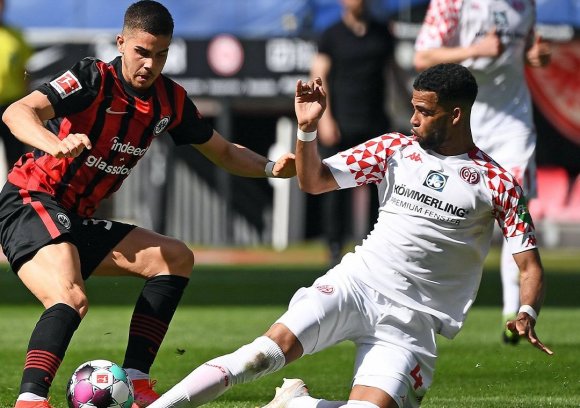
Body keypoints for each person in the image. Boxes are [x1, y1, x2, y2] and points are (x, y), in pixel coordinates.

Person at [147, 64, 552, 408]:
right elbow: (315, 181)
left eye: (424, 112)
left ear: (456, 115)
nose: (413, 119)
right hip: (355, 284)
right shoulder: (393, 149)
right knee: (260, 355)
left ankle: (299, 404)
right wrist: (307, 130)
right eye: (412, 108)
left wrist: (527, 311)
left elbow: (529, 264)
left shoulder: (497, 182)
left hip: (412, 322)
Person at [0, 1, 295, 408]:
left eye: (161, 54)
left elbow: (223, 151)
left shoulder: (169, 101)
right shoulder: (92, 78)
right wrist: (56, 143)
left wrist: (269, 168)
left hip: (74, 219)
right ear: (121, 43)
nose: (149, 64)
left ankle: (136, 383)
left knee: (174, 258)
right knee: (70, 298)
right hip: (31, 200)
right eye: (141, 51)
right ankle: (31, 400)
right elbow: (18, 112)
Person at [413, 0, 552, 344]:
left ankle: (514, 315)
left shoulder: (527, 4)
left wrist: (536, 56)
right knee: (438, 209)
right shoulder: (452, 3)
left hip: (512, 124)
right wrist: (477, 49)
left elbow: (527, 46)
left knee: (515, 213)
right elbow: (423, 57)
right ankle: (423, 302)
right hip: (460, 122)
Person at [310, 0, 395, 266]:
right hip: (341, 124)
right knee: (336, 185)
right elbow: (319, 75)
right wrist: (325, 119)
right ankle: (334, 245)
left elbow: (394, 74)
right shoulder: (331, 34)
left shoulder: (383, 33)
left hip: (375, 122)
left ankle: (372, 243)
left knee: (377, 188)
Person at [0, 0, 33, 178]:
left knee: (16, 158)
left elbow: (24, 72)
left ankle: (12, 201)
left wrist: (26, 105)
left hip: (10, 104)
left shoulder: (15, 35)